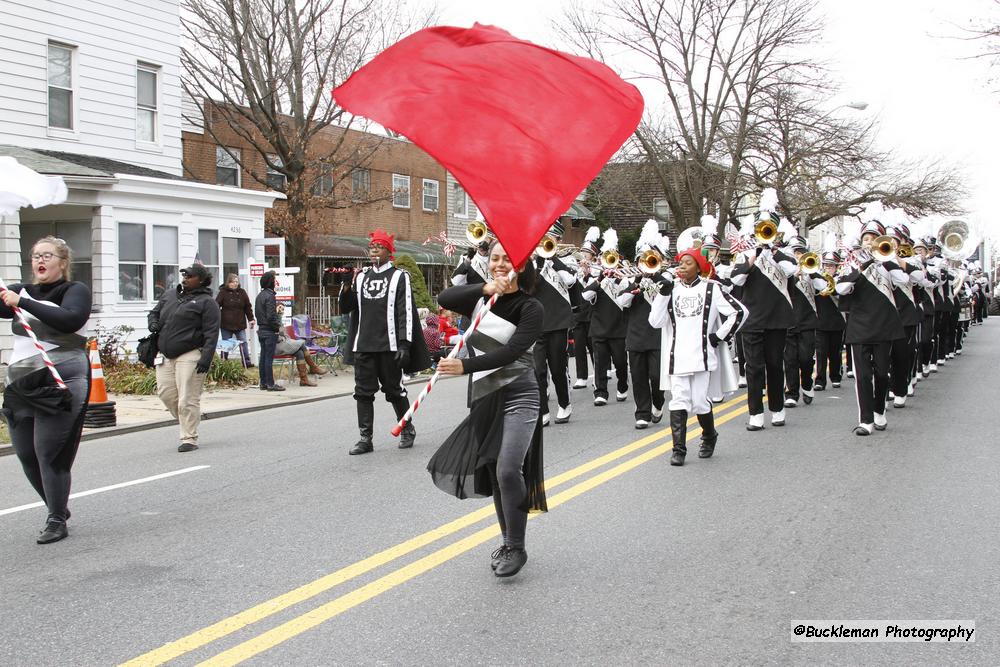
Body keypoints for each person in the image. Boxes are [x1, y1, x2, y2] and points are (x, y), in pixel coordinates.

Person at [428, 239, 546, 578]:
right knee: (495, 473)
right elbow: (445, 298)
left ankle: (518, 547)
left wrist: (464, 367)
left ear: (521, 266)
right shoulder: (483, 299)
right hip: (484, 395)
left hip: (520, 394)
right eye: (494, 258)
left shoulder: (530, 308)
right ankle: (507, 542)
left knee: (509, 469)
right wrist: (485, 286)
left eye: (506, 260)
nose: (499, 264)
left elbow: (512, 353)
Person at [0, 237, 91, 544]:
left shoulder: (74, 291)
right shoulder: (18, 288)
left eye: (47, 255)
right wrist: (12, 298)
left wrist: (21, 302)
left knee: (49, 453)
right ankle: (58, 507)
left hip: (61, 377)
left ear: (62, 262)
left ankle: (55, 519)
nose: (40, 260)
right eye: (36, 255)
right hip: (22, 379)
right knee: (26, 454)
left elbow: (70, 320)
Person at [649, 248, 745, 466]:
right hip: (678, 356)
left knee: (700, 402)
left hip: (702, 356)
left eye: (688, 263)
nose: (682, 266)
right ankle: (678, 449)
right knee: (679, 400)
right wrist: (662, 296)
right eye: (680, 263)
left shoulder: (712, 288)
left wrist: (718, 336)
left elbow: (739, 312)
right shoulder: (671, 290)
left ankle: (709, 436)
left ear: (699, 267)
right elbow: (655, 322)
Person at [340, 229, 431, 454]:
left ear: (388, 251)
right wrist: (345, 286)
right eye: (371, 247)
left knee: (394, 391)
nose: (373, 251)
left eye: (378, 247)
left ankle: (406, 428)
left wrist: (404, 344)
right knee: (362, 392)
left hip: (390, 345)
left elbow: (405, 312)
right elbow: (346, 307)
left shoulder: (400, 276)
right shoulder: (361, 276)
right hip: (364, 344)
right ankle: (365, 439)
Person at [729, 190, 797, 431]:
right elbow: (735, 281)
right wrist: (754, 255)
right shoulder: (745, 255)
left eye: (768, 228)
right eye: (761, 227)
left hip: (777, 318)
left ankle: (777, 409)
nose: (764, 232)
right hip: (752, 319)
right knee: (753, 367)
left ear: (776, 232)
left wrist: (773, 251)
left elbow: (791, 272)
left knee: (775, 365)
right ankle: (755, 412)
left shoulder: (785, 255)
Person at [835, 218, 906, 436]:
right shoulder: (852, 264)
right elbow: (841, 288)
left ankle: (879, 410)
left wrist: (888, 260)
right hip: (860, 327)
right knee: (863, 376)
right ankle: (865, 420)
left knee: (883, 374)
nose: (869, 242)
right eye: (866, 238)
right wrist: (861, 266)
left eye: (873, 239)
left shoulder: (888, 264)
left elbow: (903, 280)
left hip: (884, 326)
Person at [148, 264, 221, 452]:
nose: (185, 278)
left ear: (201, 280)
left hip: (190, 353)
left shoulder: (207, 302)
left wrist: (206, 358)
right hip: (165, 353)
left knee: (186, 398)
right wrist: (153, 322)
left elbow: (212, 333)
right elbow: (154, 312)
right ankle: (189, 419)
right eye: (184, 275)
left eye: (190, 276)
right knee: (166, 394)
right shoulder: (171, 295)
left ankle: (189, 437)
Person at [618, 221, 666, 429]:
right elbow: (621, 302)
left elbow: (670, 296)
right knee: (638, 377)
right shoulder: (628, 280)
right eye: (642, 260)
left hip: (657, 335)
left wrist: (657, 278)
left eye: (650, 259)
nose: (646, 263)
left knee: (656, 376)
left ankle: (658, 401)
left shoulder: (665, 279)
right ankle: (642, 412)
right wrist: (635, 284)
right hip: (636, 335)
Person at [532, 221, 575, 425]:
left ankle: (565, 404)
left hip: (558, 321)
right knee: (538, 369)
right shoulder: (533, 262)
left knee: (558, 368)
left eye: (552, 239)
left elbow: (570, 280)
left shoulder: (564, 261)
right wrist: (539, 260)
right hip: (538, 322)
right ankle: (543, 410)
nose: (547, 243)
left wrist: (553, 259)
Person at [581, 228, 629, 406]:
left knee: (621, 363)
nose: (609, 263)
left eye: (612, 259)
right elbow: (585, 296)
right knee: (600, 363)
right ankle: (600, 392)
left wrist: (617, 277)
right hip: (599, 328)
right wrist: (600, 278)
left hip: (618, 328)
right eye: (606, 259)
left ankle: (623, 385)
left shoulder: (623, 279)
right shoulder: (596, 279)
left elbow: (627, 298)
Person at [274, 309, 329, 386]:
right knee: (302, 344)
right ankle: (314, 368)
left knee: (299, 352)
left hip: (284, 344)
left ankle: (304, 379)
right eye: (279, 309)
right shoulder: (271, 320)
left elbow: (285, 334)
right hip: (277, 347)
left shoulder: (278, 320)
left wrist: (285, 338)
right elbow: (276, 337)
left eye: (283, 309)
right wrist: (283, 338)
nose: (281, 311)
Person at [254, 271, 285, 392]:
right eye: (274, 279)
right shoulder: (270, 296)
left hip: (261, 329)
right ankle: (270, 383)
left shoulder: (260, 295)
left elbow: (258, 313)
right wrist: (277, 328)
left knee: (263, 357)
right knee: (268, 358)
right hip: (269, 330)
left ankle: (263, 383)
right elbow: (271, 316)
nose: (276, 282)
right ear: (271, 282)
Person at [216, 273, 255, 367]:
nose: (235, 284)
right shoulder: (223, 292)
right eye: (233, 282)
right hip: (226, 324)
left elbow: (247, 307)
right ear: (228, 283)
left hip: (240, 323)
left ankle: (246, 362)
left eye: (237, 282)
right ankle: (223, 362)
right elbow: (216, 305)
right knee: (226, 344)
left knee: (243, 343)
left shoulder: (242, 292)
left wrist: (251, 319)